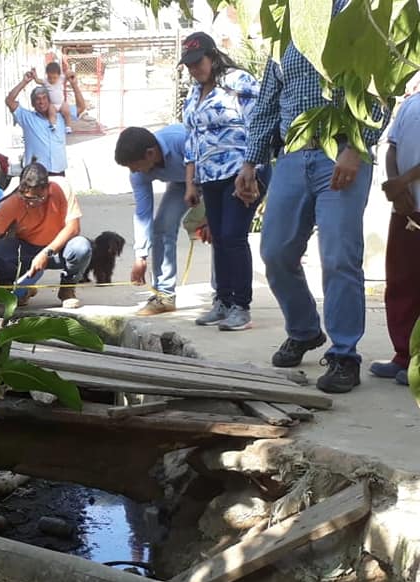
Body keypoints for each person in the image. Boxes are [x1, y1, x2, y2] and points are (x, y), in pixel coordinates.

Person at [234, 11, 391, 393]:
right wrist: (250, 162)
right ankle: (304, 330)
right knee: (275, 252)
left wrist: (358, 146)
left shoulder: (359, 14)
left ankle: (344, 355)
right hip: (292, 156)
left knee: (338, 258)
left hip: (342, 153)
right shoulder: (285, 30)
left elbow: (380, 88)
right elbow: (268, 104)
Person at [180, 31, 265, 332]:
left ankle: (241, 306)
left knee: (233, 235)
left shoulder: (238, 82)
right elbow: (192, 139)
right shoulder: (194, 93)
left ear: (213, 56)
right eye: (189, 65)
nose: (194, 69)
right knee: (218, 236)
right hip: (209, 176)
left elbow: (259, 124)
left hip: (240, 172)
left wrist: (252, 170)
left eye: (198, 62)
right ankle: (223, 301)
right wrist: (191, 183)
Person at [0, 162, 93, 309]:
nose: (31, 204)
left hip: (58, 250)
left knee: (81, 247)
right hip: (26, 249)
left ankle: (67, 288)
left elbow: (73, 228)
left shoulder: (62, 188)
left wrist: (46, 253)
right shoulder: (13, 201)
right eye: (27, 198)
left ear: (47, 188)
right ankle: (20, 285)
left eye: (38, 198)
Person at [369, 89, 420, 386]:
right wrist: (395, 186)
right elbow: (392, 147)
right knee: (401, 282)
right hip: (406, 208)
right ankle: (404, 354)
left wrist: (403, 181)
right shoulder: (411, 102)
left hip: (409, 195)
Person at [115, 125, 188, 315]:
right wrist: (141, 255)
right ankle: (164, 295)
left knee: (219, 232)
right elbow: (143, 213)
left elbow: (209, 167)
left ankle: (225, 297)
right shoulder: (138, 174)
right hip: (182, 184)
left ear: (150, 153)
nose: (133, 171)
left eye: (135, 165)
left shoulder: (181, 140)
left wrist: (204, 217)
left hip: (214, 177)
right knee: (162, 228)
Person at [6, 68, 87, 175]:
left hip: (58, 171)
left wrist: (74, 85)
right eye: (37, 99)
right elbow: (9, 101)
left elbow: (81, 107)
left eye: (44, 98)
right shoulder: (27, 118)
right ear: (33, 104)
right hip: (34, 174)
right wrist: (24, 82)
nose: (41, 102)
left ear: (50, 101)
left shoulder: (61, 115)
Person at [34, 61, 76, 132]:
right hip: (52, 104)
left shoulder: (61, 79)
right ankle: (53, 125)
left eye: (54, 77)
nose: (52, 80)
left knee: (67, 112)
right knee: (51, 114)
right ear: (47, 75)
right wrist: (35, 75)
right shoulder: (46, 81)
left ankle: (68, 126)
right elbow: (37, 81)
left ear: (59, 75)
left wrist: (68, 71)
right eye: (50, 77)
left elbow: (69, 75)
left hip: (61, 103)